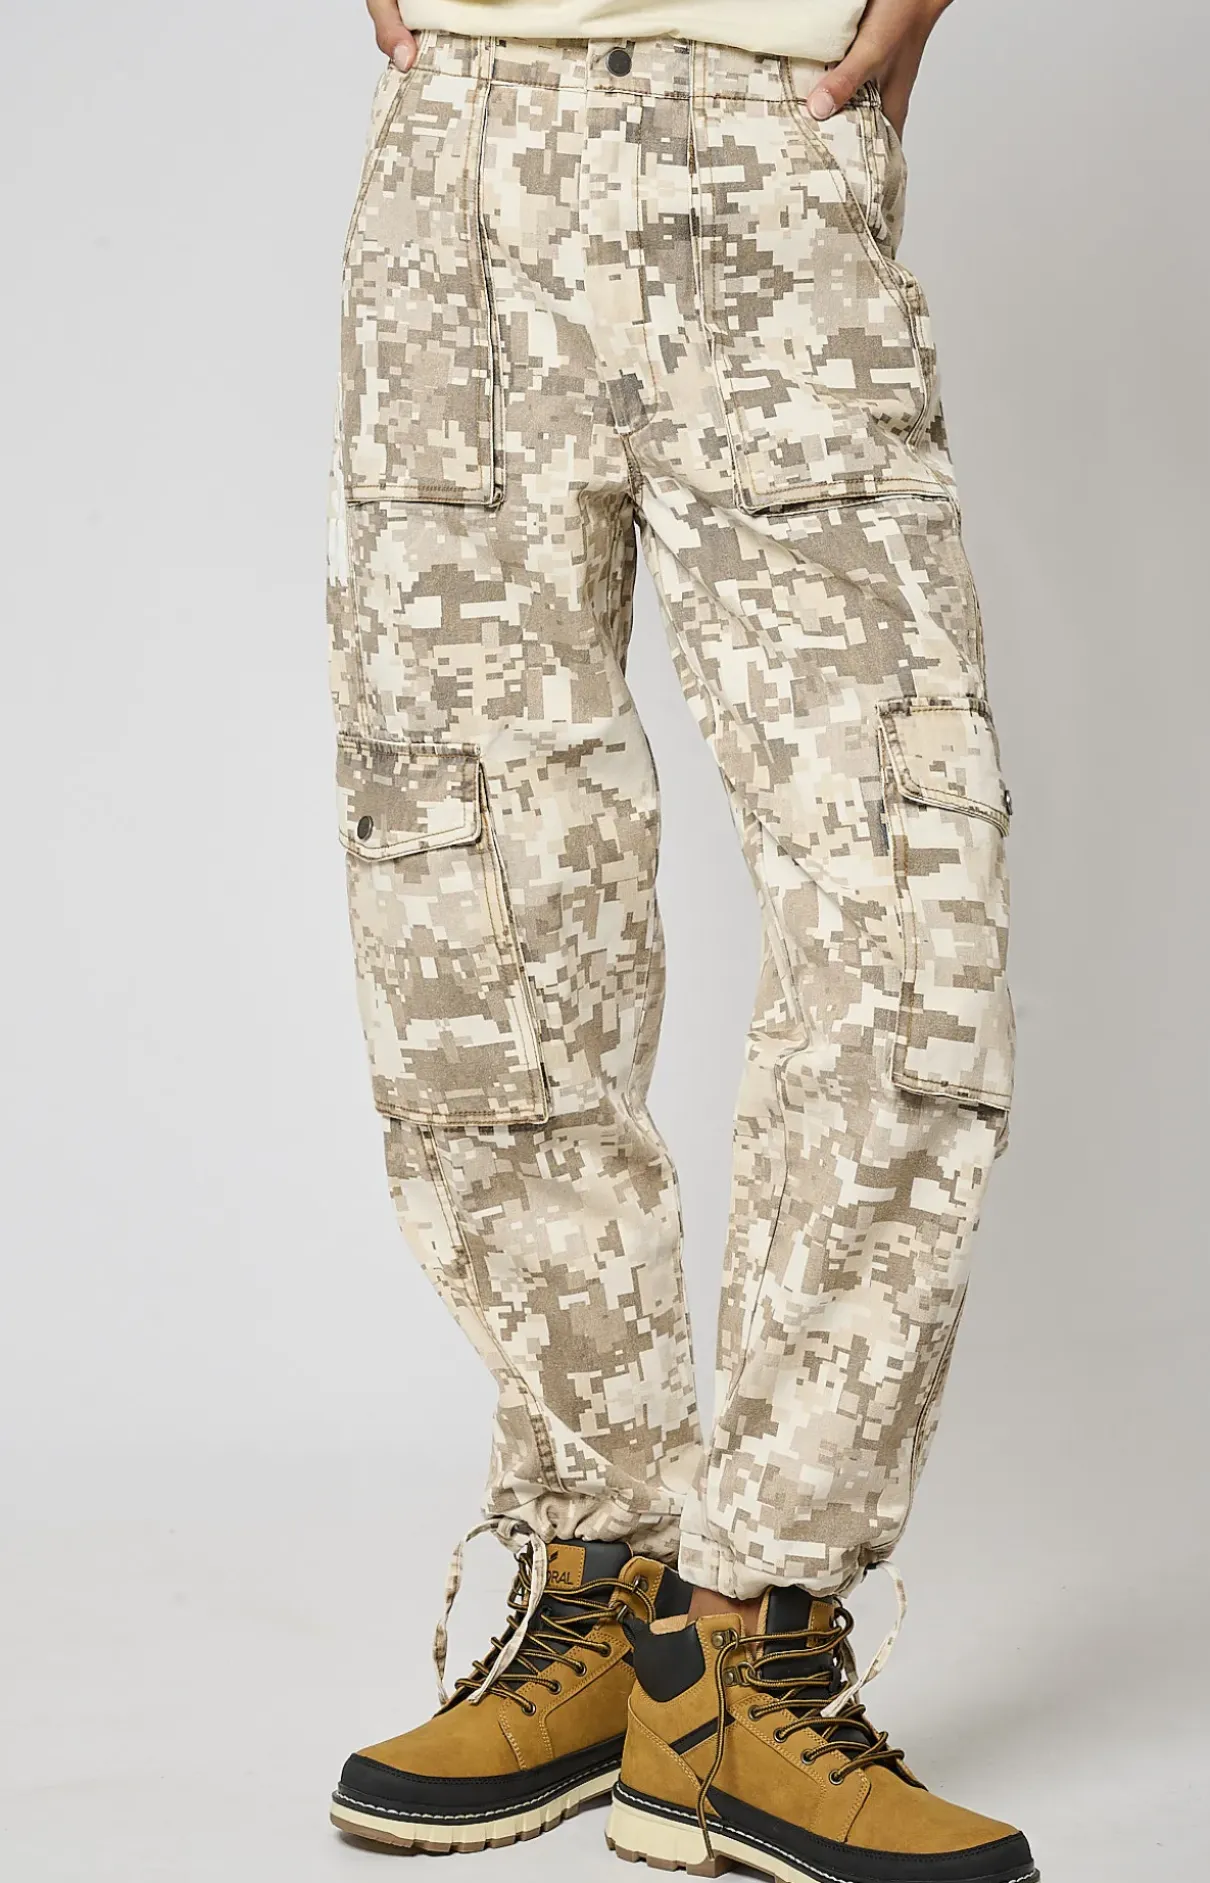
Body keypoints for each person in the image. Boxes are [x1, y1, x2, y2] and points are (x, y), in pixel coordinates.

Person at [326, 2, 1034, 1877]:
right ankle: (607, 1575)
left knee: (908, 901)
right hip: (464, 167)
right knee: (479, 903)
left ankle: (746, 1639)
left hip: (769, 142)